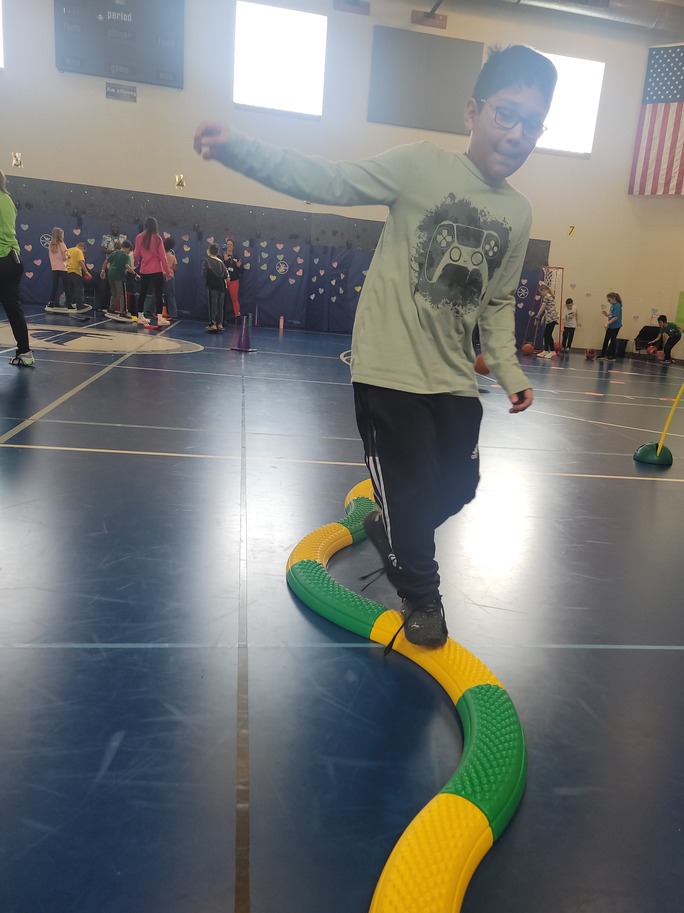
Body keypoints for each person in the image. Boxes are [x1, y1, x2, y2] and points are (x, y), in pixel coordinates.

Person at [194, 44, 557, 647]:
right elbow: (327, 180)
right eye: (506, 114)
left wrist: (510, 368)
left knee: (458, 488)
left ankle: (393, 530)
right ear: (473, 111)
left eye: (534, 123)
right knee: (412, 491)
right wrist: (239, 149)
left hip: (452, 378)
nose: (518, 133)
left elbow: (495, 302)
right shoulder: (418, 165)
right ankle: (424, 598)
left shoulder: (518, 213)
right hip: (388, 369)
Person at [0, 170, 35, 367]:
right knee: (14, 309)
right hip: (13, 260)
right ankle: (25, 352)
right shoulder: (7, 199)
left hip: (1, 259)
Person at [133, 217, 171, 327]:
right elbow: (163, 257)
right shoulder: (158, 238)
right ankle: (159, 318)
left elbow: (136, 253)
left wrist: (136, 263)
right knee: (159, 294)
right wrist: (167, 272)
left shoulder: (139, 237)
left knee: (143, 293)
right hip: (157, 270)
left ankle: (140, 316)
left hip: (145, 269)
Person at [101, 240, 136, 317]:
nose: (128, 253)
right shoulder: (126, 256)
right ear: (128, 248)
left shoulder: (114, 253)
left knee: (114, 293)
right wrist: (135, 274)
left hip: (111, 274)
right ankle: (123, 311)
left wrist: (103, 270)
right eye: (129, 251)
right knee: (122, 294)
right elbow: (127, 266)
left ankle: (111, 308)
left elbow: (106, 262)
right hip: (119, 276)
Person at [99, 222, 128, 311]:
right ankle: (108, 307)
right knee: (111, 289)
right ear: (110, 228)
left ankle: (114, 308)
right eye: (113, 227)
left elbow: (128, 249)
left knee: (117, 292)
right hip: (111, 266)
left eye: (117, 227)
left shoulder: (123, 238)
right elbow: (103, 250)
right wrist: (114, 252)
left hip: (119, 267)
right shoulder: (106, 237)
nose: (115, 229)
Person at [202, 242, 228, 332]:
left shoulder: (207, 261)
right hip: (221, 286)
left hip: (212, 286)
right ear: (217, 252)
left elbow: (204, 274)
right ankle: (219, 324)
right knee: (220, 306)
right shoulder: (221, 262)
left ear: (209, 251)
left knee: (213, 305)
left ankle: (212, 324)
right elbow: (225, 275)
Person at [45, 227, 71, 311]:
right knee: (66, 286)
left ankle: (51, 302)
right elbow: (64, 258)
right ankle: (69, 304)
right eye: (63, 235)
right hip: (63, 268)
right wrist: (68, 256)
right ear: (60, 236)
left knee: (54, 286)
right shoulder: (62, 245)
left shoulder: (50, 245)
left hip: (55, 268)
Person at [65, 240, 92, 312]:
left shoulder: (68, 250)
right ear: (82, 247)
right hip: (75, 272)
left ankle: (67, 304)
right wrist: (86, 272)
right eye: (84, 252)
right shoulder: (79, 251)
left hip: (66, 271)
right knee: (79, 289)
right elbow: (81, 262)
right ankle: (80, 305)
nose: (83, 254)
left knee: (69, 289)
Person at [221, 237, 243, 324]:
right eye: (228, 244)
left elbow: (241, 271)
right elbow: (220, 268)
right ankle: (221, 318)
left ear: (233, 246)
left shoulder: (236, 257)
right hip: (224, 280)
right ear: (225, 246)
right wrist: (225, 261)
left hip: (234, 280)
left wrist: (239, 266)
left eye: (231, 245)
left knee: (235, 299)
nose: (229, 246)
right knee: (222, 299)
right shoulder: (222, 256)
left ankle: (237, 317)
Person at [535, 282, 558, 357]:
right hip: (550, 318)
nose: (541, 294)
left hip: (552, 318)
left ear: (544, 290)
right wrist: (543, 317)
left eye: (541, 292)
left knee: (548, 334)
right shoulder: (550, 296)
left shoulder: (547, 296)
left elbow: (543, 307)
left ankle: (552, 350)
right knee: (546, 334)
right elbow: (549, 308)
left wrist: (537, 316)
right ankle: (545, 350)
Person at [598, 291, 622, 360]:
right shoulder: (612, 305)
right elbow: (611, 315)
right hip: (611, 325)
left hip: (616, 326)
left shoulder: (617, 305)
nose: (608, 301)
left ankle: (612, 355)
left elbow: (616, 317)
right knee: (606, 339)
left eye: (609, 300)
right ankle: (603, 354)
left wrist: (607, 323)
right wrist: (606, 314)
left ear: (614, 298)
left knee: (613, 340)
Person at [163, 237, 178, 319]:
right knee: (171, 296)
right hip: (170, 277)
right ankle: (173, 314)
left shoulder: (161, 255)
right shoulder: (173, 257)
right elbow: (175, 268)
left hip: (160, 275)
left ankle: (153, 310)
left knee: (158, 294)